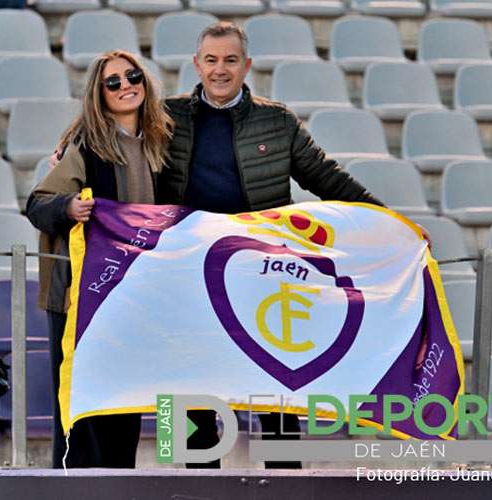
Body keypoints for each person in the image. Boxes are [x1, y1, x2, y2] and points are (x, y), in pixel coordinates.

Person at [159, 21, 397, 470]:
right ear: (196, 64)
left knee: (278, 386)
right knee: (188, 387)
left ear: (246, 65)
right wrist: (66, 156)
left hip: (263, 273)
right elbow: (120, 155)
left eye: (230, 60)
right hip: (186, 274)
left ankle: (286, 480)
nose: (220, 70)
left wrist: (388, 221)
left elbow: (326, 177)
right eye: (211, 60)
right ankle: (187, 483)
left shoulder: (278, 119)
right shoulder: (165, 116)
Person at [26, 49, 173, 468]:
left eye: (133, 77)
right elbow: (38, 204)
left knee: (125, 399)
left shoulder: (165, 142)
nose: (126, 86)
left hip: (138, 297)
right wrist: (69, 206)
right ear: (99, 93)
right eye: (113, 82)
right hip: (82, 296)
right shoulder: (85, 146)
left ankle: (121, 484)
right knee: (81, 404)